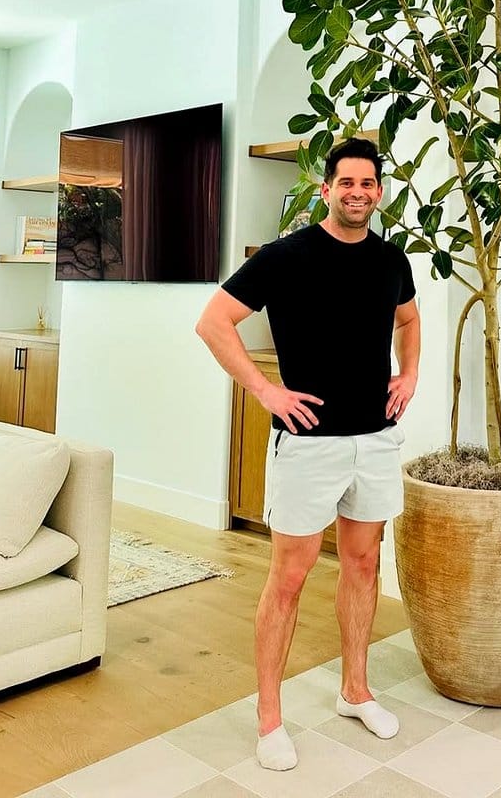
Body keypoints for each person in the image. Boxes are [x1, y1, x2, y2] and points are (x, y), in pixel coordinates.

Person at [196, 136, 420, 771]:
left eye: (367, 184)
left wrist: (409, 375)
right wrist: (266, 390)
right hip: (308, 445)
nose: (356, 193)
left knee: (364, 564)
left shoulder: (390, 259)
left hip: (375, 438)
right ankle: (270, 719)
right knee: (289, 577)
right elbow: (213, 322)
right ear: (327, 189)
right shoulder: (284, 258)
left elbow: (409, 320)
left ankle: (356, 691)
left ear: (379, 192)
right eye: (345, 182)